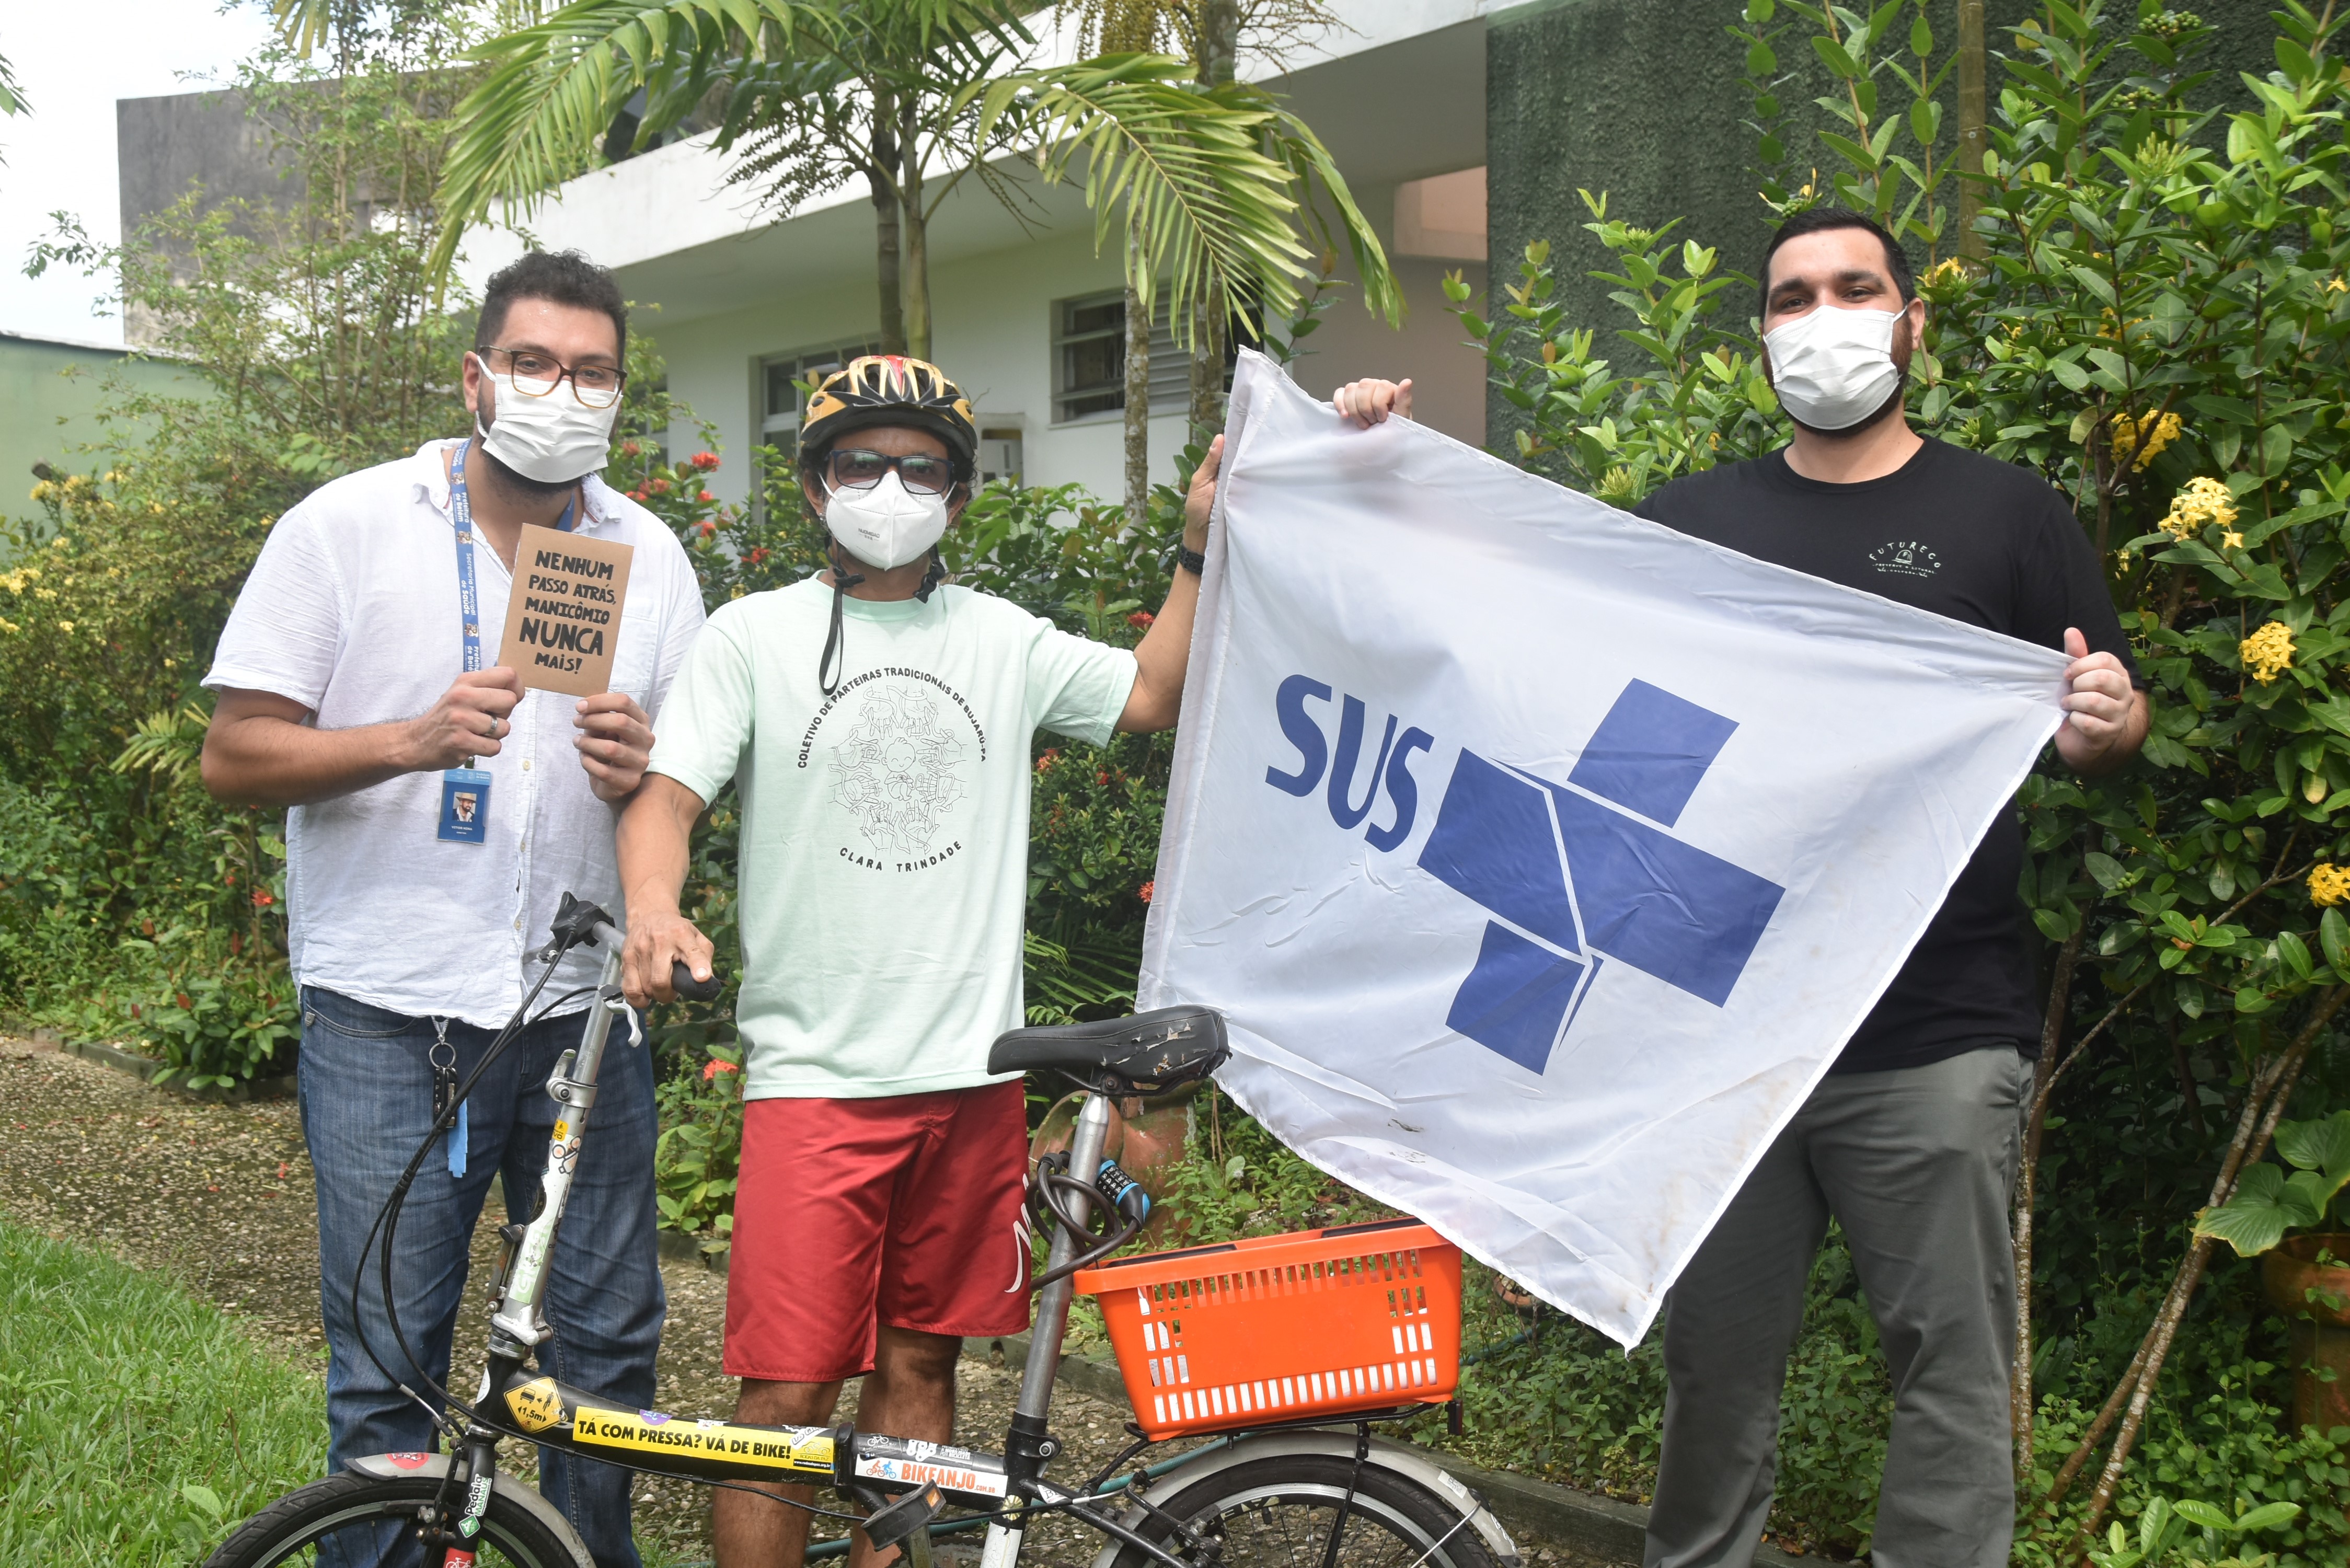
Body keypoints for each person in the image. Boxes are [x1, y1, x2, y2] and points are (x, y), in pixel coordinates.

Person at [1338, 205, 2146, 1567]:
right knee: (1714, 1371)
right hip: (1715, 1035)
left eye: (1854, 287)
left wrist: (2106, 724)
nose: (1824, 317)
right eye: (1792, 297)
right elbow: (1543, 675)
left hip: (1933, 1029)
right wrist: (1381, 485)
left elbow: (2104, 724)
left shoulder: (2009, 516)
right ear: (1761, 334)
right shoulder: (1690, 528)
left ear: (1911, 321)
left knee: (1949, 1366)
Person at [612, 354, 1221, 1568]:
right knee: (784, 1404)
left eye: (921, 469)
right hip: (815, 1083)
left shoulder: (1001, 639)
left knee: (922, 1366)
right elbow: (666, 797)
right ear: (813, 486)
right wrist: (652, 908)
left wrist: (1197, 542)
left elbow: (1152, 692)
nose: (888, 488)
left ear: (957, 495)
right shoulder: (753, 636)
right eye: (860, 464)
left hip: (971, 1080)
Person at [201, 249, 709, 1568]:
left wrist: (638, 769)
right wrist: (411, 741)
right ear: (477, 378)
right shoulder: (348, 526)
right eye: (534, 363)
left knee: (604, 1362)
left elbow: (675, 790)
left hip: (581, 1021)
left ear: (618, 395)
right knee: (391, 1370)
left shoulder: (647, 556)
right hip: (392, 1016)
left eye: (591, 373)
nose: (561, 391)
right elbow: (234, 755)